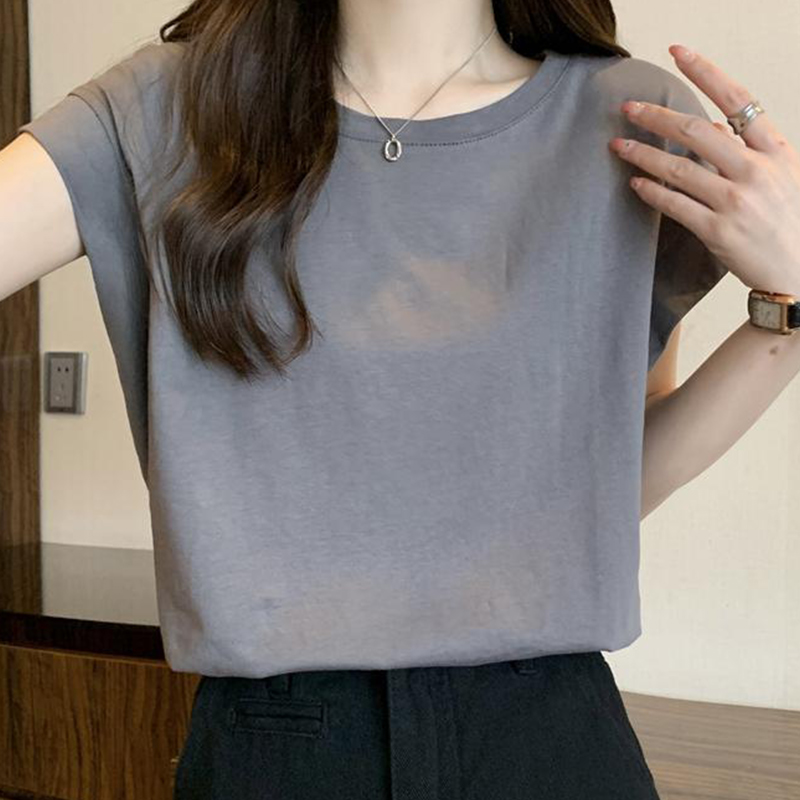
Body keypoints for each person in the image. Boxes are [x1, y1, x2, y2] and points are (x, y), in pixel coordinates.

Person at [6, 0, 799, 797]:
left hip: (553, 736)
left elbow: (608, 482)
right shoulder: (164, 111)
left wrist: (792, 305)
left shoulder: (628, 120)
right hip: (278, 748)